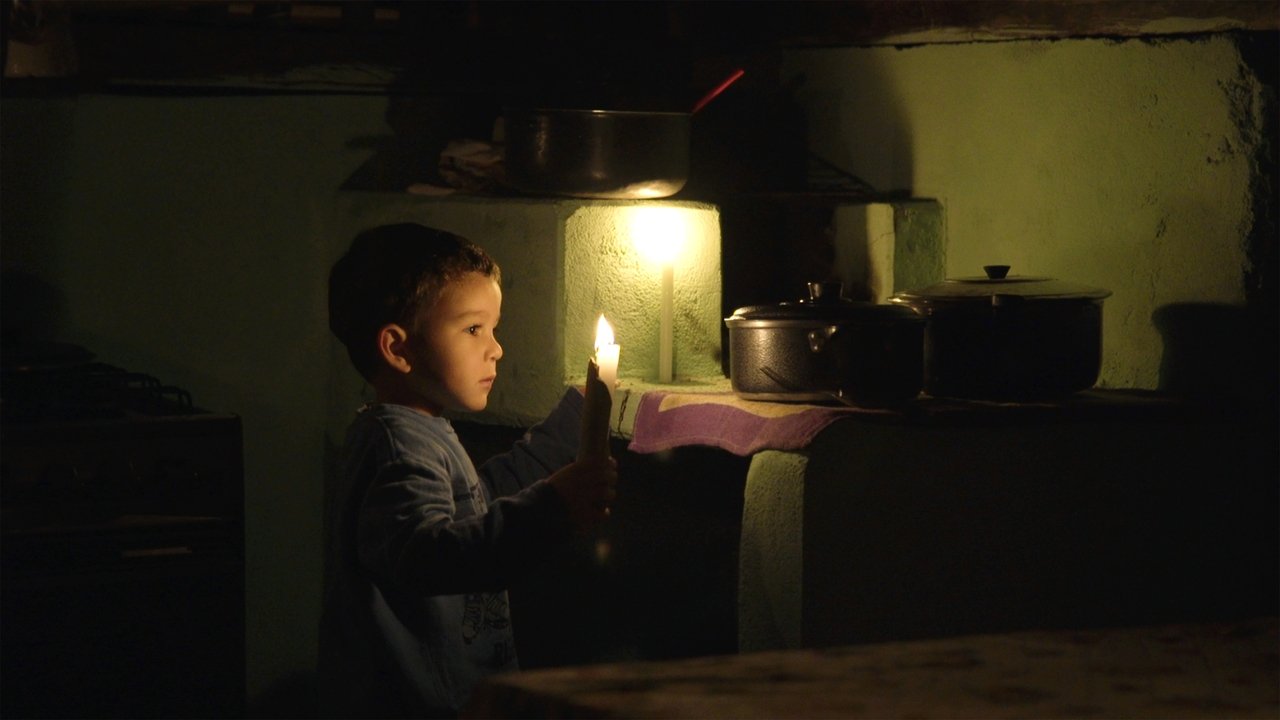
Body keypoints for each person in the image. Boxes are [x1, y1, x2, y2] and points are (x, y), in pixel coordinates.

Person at [319, 223, 617, 718]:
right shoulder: (399, 445)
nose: (495, 347)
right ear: (398, 349)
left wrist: (573, 423)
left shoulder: (417, 429)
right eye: (473, 328)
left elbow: (479, 500)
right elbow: (426, 556)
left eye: (493, 328)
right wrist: (551, 508)